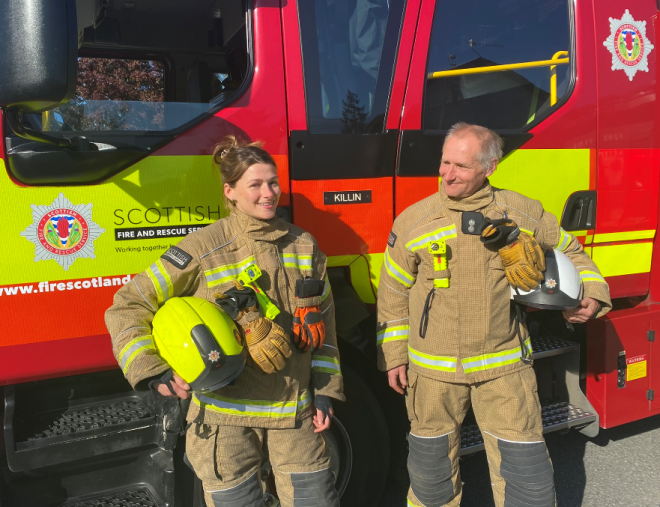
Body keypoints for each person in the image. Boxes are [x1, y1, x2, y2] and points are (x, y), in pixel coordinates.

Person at [376, 123, 611, 507]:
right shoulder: (413, 222)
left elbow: (574, 253)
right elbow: (393, 293)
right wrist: (394, 356)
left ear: (490, 167)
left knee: (525, 475)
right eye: (445, 162)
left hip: (504, 369)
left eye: (462, 167)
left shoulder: (521, 212)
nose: (447, 174)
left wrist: (592, 295)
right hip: (432, 372)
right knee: (430, 474)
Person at [105, 136, 343, 507]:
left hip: (297, 416)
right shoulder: (203, 247)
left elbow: (325, 327)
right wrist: (154, 371)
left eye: (273, 182)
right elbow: (128, 304)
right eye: (256, 185)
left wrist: (327, 391)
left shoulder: (304, 245)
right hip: (226, 423)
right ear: (230, 191)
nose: (268, 193)